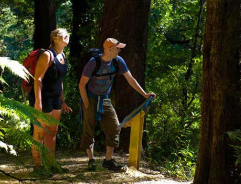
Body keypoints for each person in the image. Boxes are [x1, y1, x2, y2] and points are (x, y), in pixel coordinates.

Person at [78, 38, 156, 171]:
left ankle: (108, 160)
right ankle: (91, 160)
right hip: (90, 98)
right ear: (109, 49)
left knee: (114, 127)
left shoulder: (118, 61)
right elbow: (82, 84)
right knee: (89, 130)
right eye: (117, 48)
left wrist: (144, 94)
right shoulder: (93, 63)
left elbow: (130, 79)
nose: (119, 50)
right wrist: (86, 103)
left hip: (105, 99)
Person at [29, 28, 73, 176]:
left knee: (52, 132)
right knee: (40, 133)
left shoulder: (62, 55)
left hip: (56, 100)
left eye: (68, 34)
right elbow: (38, 79)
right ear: (54, 37)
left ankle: (51, 164)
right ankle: (38, 166)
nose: (67, 36)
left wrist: (63, 101)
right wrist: (38, 102)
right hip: (44, 98)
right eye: (63, 34)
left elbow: (59, 81)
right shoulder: (47, 55)